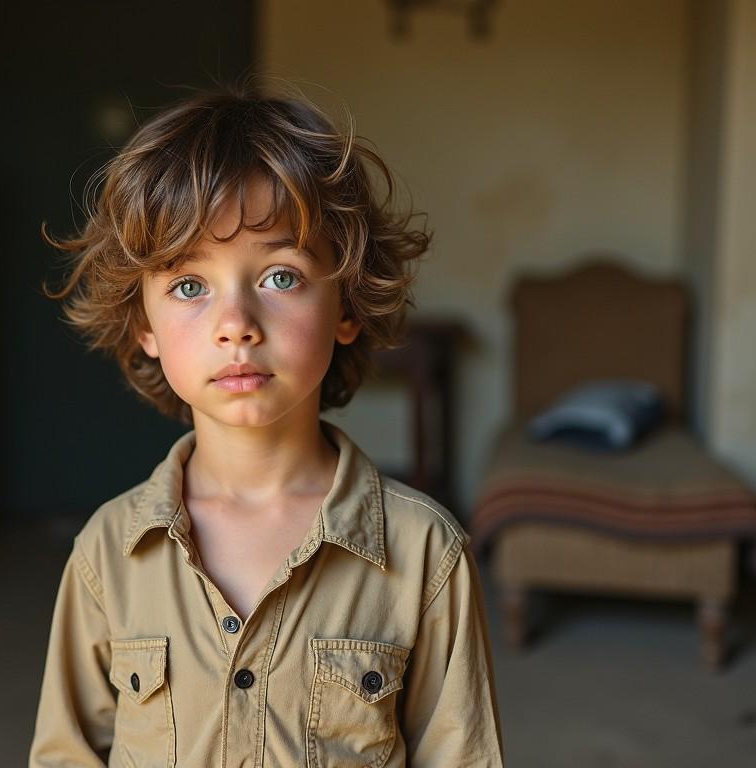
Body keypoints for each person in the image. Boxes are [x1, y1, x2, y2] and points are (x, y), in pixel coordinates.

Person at [29, 82, 504, 767]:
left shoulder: (427, 554)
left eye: (281, 276)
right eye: (190, 286)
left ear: (346, 302)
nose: (236, 327)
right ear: (144, 325)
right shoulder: (106, 556)